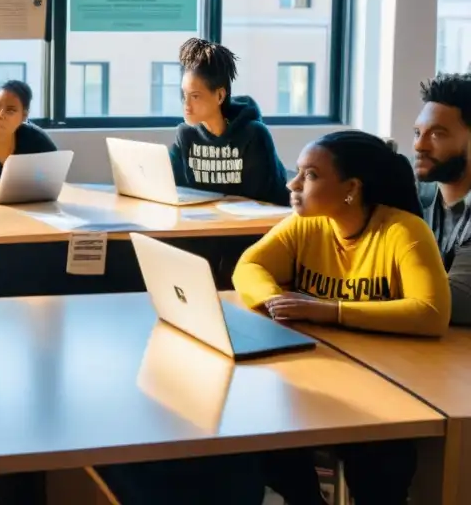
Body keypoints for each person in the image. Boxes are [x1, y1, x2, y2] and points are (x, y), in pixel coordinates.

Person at [233, 129, 451, 505]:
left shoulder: (403, 231)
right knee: (259, 428)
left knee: (381, 462)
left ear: (351, 188)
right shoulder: (307, 223)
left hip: (390, 388)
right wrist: (275, 302)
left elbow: (431, 313)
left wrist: (328, 311)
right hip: (324, 375)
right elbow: (248, 266)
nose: (293, 182)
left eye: (311, 175)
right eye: (299, 171)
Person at [170, 38, 290, 206]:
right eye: (184, 94)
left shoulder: (254, 135)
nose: (186, 105)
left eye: (195, 96)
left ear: (219, 96)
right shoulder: (185, 135)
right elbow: (173, 189)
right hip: (204, 222)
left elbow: (263, 200)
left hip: (253, 226)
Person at [413, 72, 471, 325]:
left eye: (437, 134)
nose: (419, 145)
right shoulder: (414, 195)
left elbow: (456, 303)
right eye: (417, 132)